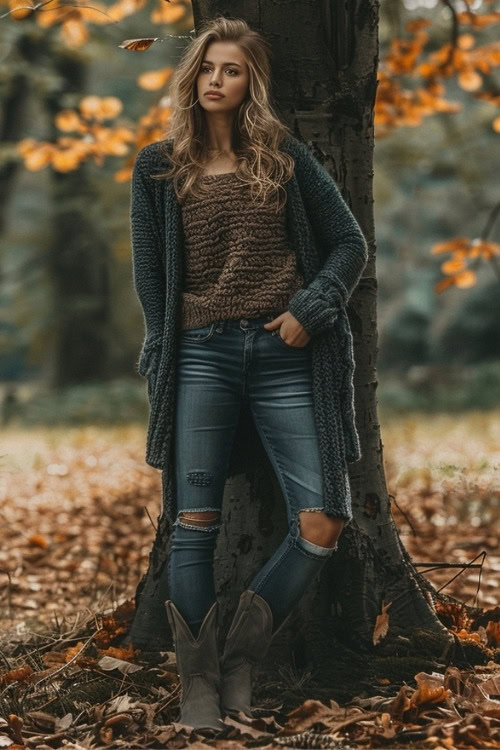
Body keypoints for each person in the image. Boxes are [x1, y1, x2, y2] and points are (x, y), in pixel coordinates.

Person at [130, 15, 368, 735]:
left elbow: (348, 245)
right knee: (193, 523)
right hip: (200, 354)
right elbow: (152, 282)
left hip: (285, 353)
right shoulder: (157, 167)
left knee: (323, 518)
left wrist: (313, 308)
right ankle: (199, 682)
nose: (215, 80)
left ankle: (240, 657)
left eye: (231, 70)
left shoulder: (285, 159)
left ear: (250, 82)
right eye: (206, 67)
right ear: (191, 76)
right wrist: (164, 360)